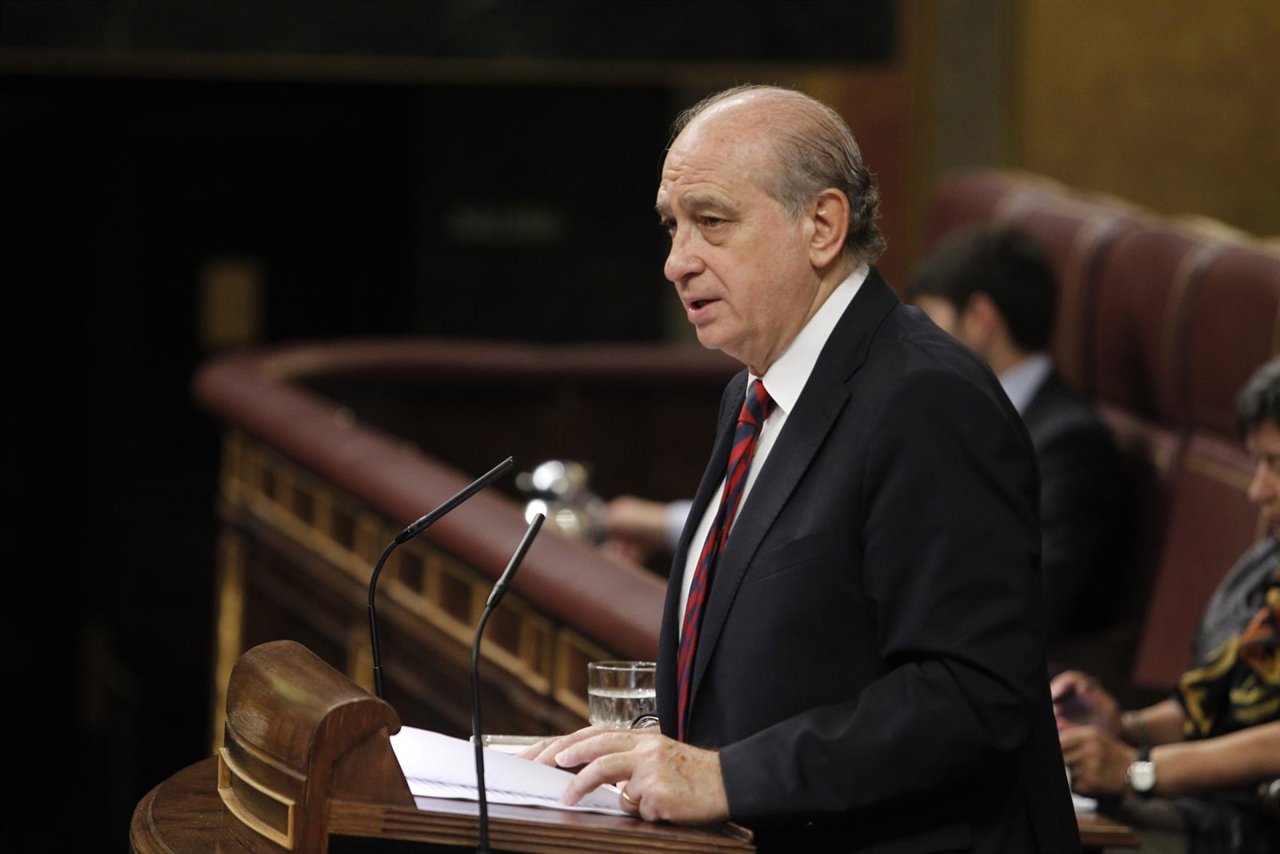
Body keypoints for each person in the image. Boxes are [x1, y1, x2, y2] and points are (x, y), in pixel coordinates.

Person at [524, 84, 1079, 852]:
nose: (676, 263)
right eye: (673, 226)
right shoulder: (752, 390)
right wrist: (637, 753)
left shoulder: (928, 400)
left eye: (711, 223)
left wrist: (727, 778)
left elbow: (972, 695)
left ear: (821, 225)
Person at [1052, 357, 1280, 854]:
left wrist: (1138, 771)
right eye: (1257, 461)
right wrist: (1119, 726)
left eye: (1276, 464)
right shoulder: (1263, 568)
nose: (1257, 488)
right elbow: (1203, 709)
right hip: (1203, 802)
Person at [907, 224, 1134, 647]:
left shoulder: (1069, 446)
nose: (917, 346)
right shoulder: (953, 414)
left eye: (931, 324)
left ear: (980, 320)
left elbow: (1037, 602)